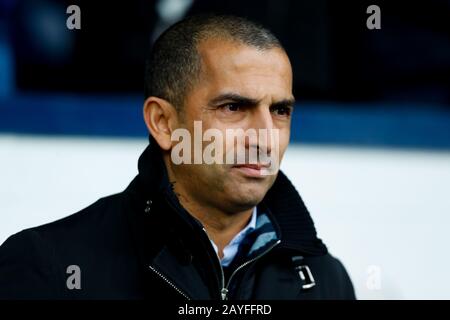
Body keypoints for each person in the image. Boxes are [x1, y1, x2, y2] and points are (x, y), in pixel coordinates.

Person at [0, 14, 355, 300]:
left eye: (280, 111)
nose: (265, 136)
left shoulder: (325, 280)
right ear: (163, 123)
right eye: (233, 107)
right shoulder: (48, 265)